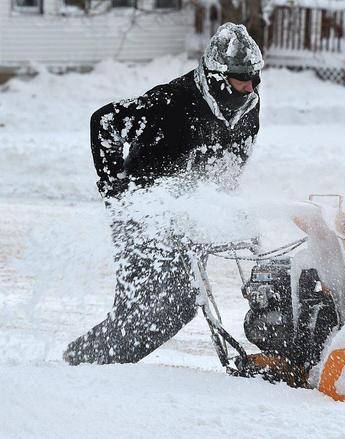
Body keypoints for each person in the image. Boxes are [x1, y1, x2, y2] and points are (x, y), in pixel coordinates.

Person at [64, 23, 263, 365]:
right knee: (154, 308)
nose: (250, 85)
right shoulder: (171, 102)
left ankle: (95, 365)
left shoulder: (246, 106)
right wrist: (116, 193)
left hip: (183, 220)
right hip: (143, 216)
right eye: (242, 77)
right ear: (217, 77)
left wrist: (221, 206)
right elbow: (105, 122)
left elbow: (231, 162)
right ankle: (86, 365)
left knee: (177, 305)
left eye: (255, 76)